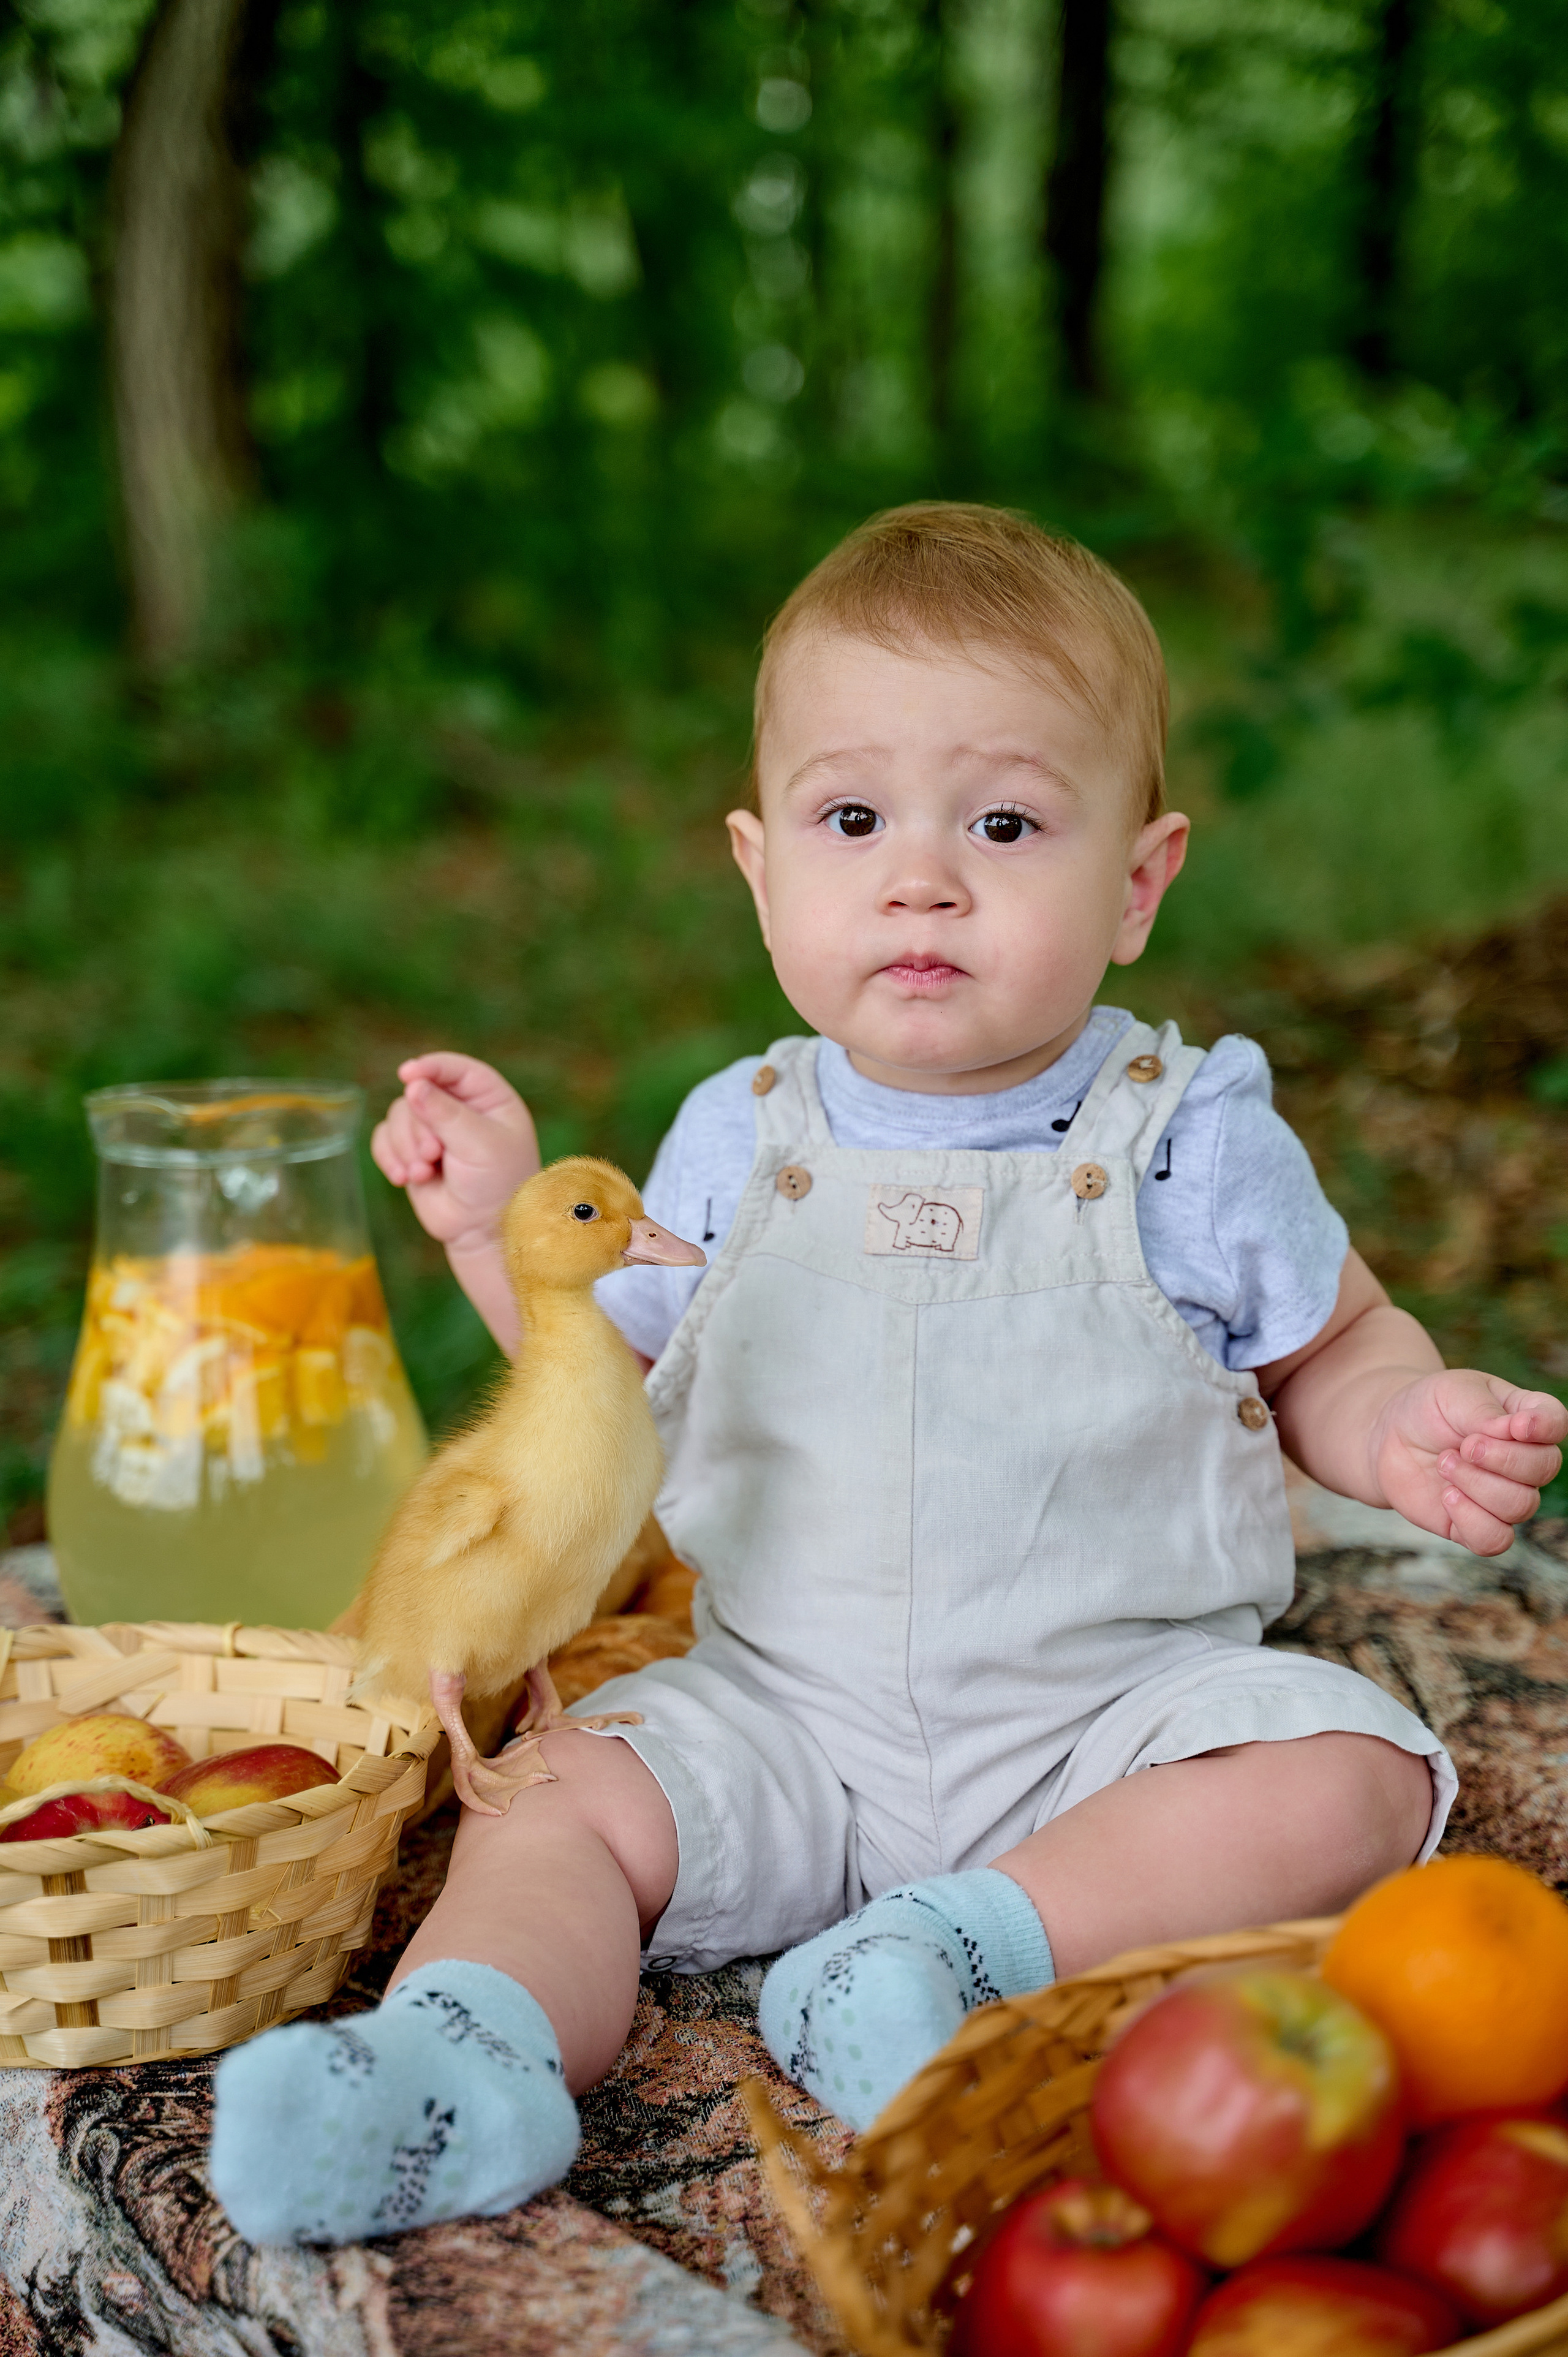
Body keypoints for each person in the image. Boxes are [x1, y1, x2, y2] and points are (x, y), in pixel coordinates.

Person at [209, 504, 1566, 2246]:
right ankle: (463, 2061)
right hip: (781, 1712)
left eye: (1005, 822)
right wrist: (496, 1228)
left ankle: (949, 1948)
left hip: (1111, 1727)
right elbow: (589, 1382)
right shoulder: (732, 1141)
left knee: (1351, 1776)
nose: (923, 877)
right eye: (854, 820)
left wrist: (1406, 1423)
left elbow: (1334, 1350)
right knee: (560, 1798)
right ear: (763, 867)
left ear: (1139, 884)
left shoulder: (1185, 1140)